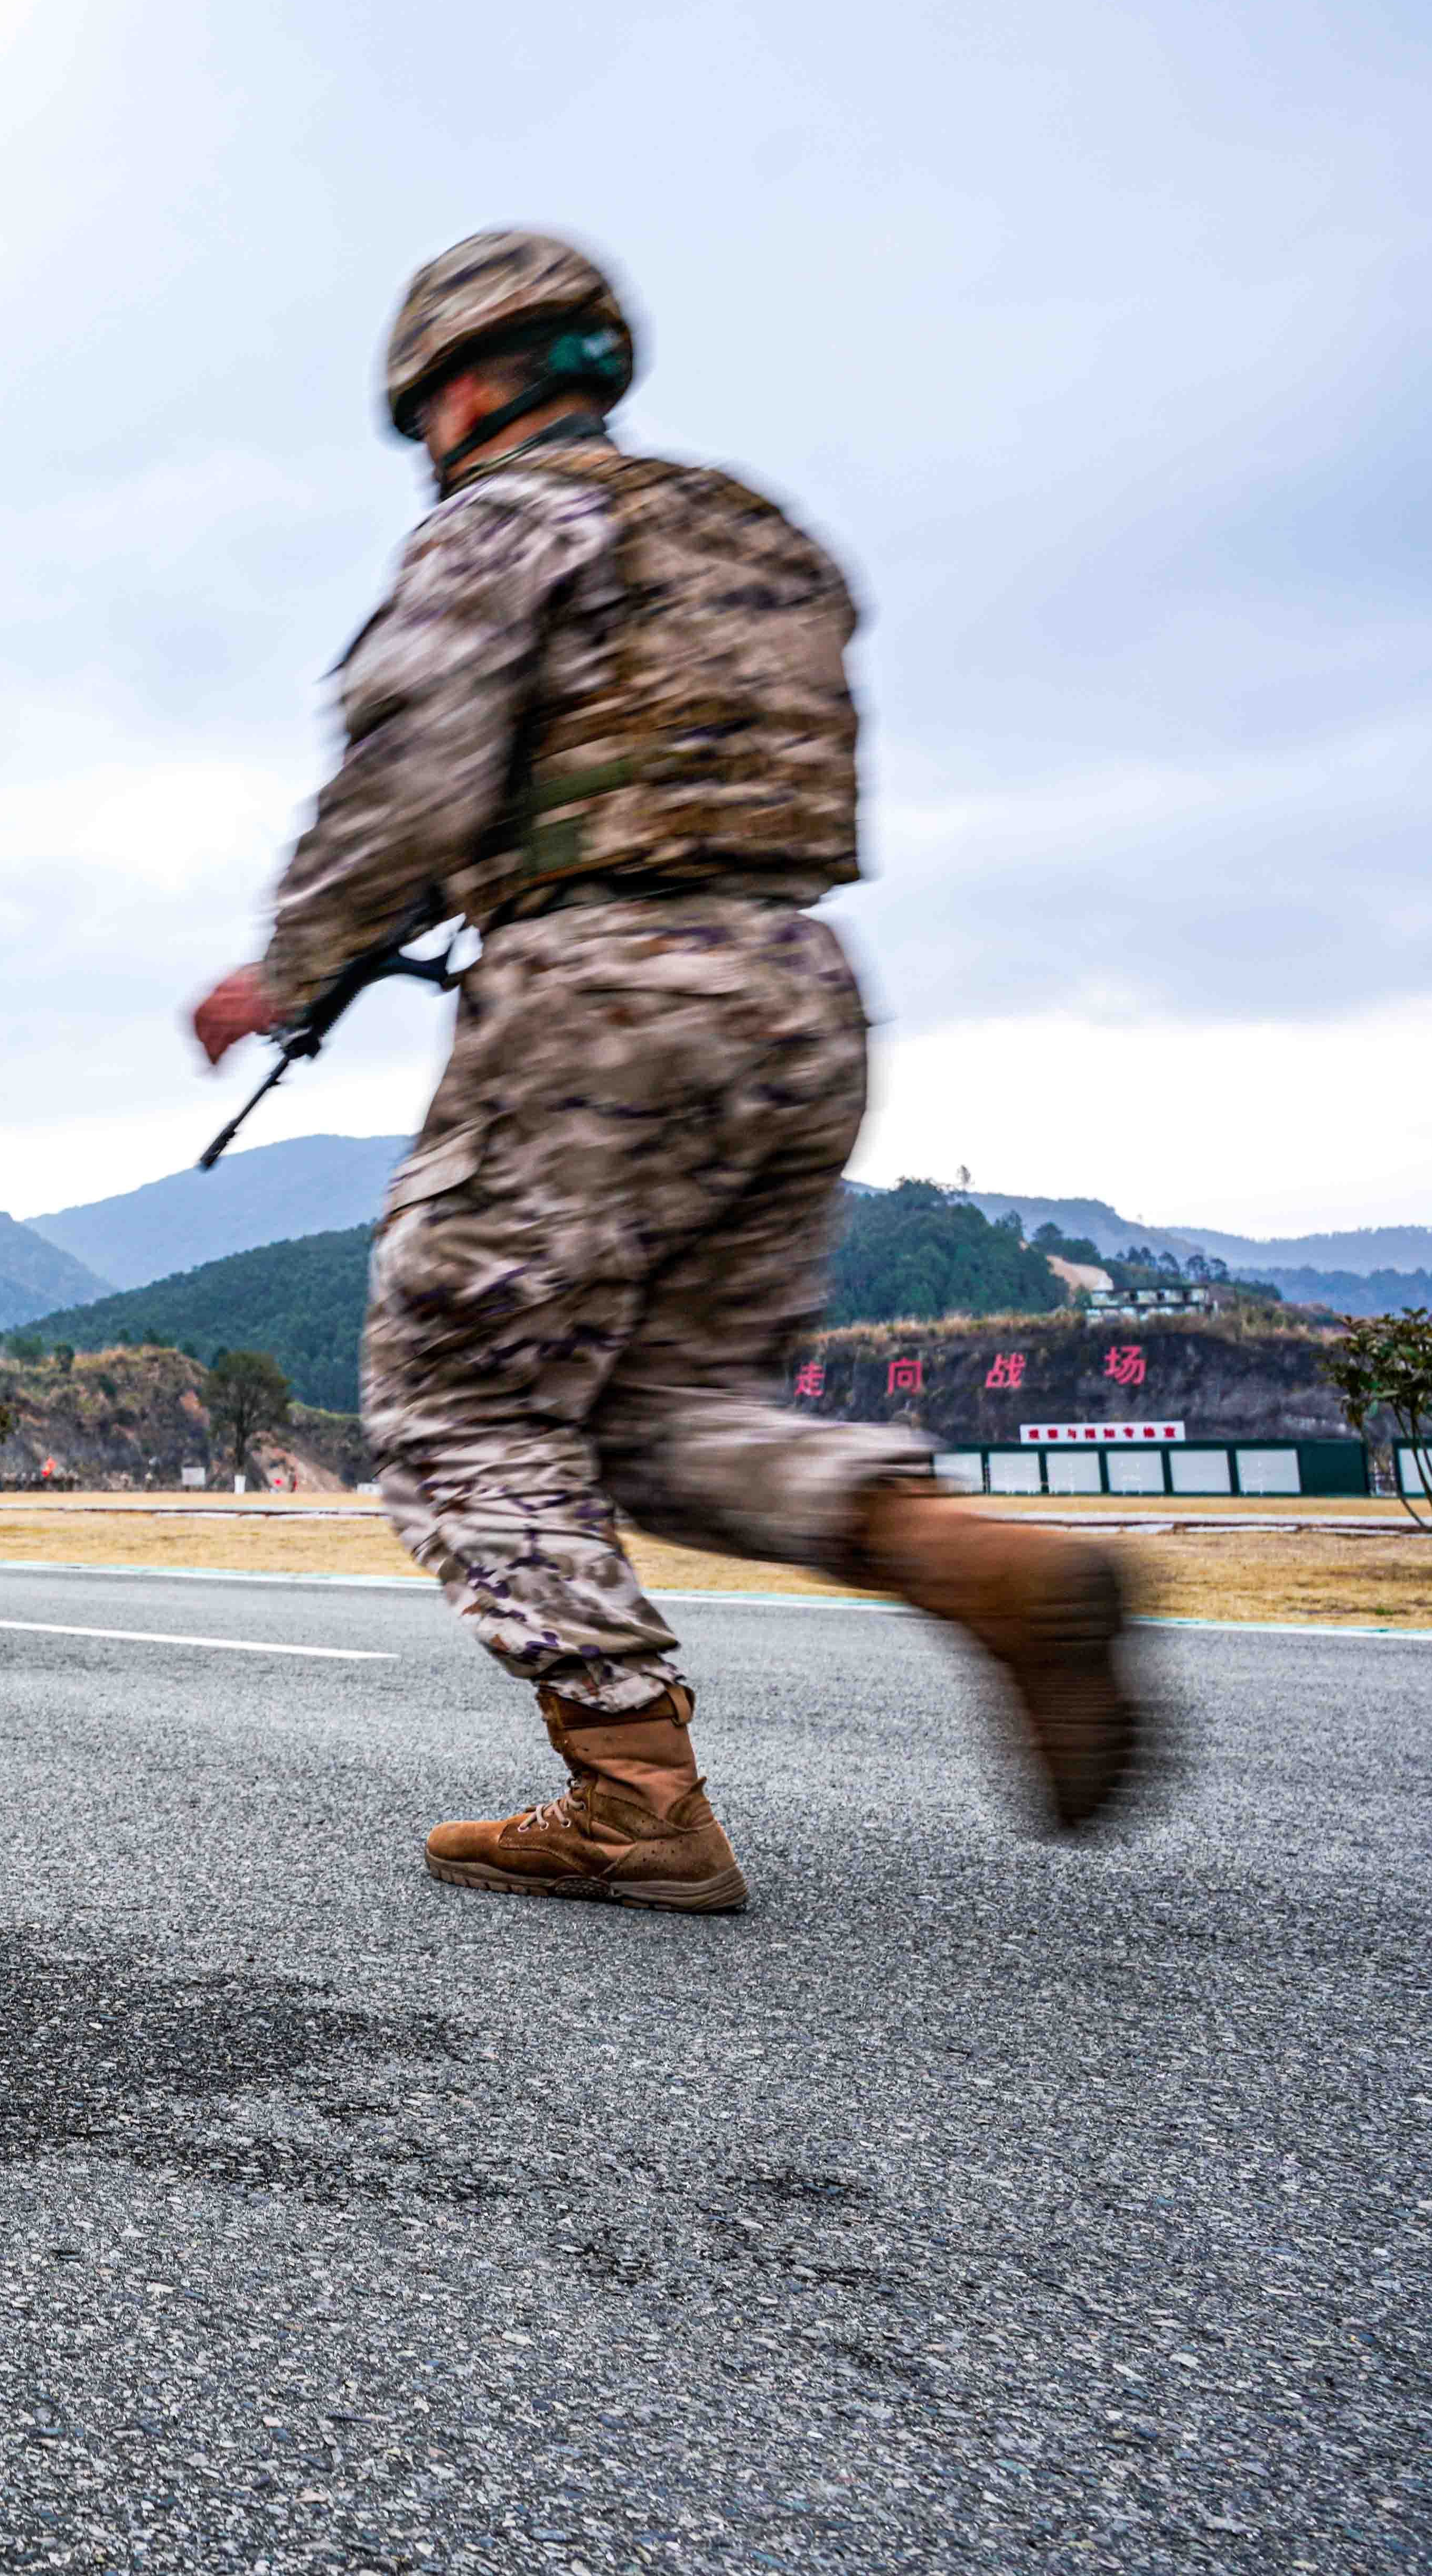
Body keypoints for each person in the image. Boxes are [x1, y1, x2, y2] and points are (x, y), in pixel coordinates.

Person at [190, 233, 1154, 1913]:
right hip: (795, 990)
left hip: (597, 998)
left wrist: (285, 967)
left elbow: (412, 770)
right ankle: (969, 1562)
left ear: (466, 384)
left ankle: (633, 1794)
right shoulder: (754, 532)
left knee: (461, 1410)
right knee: (665, 1411)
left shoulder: (504, 521)